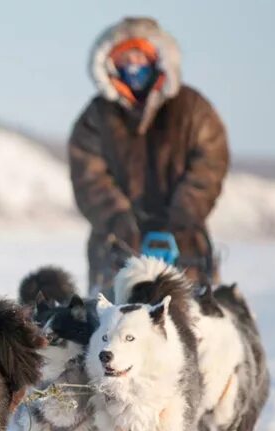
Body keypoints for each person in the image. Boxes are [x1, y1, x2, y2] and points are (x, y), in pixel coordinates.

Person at [69, 17, 229, 293]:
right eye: (125, 58)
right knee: (114, 330)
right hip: (115, 250)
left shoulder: (193, 108)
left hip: (186, 248)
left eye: (140, 56)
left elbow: (210, 163)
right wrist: (121, 223)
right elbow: (88, 177)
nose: (133, 66)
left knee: (190, 328)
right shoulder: (96, 116)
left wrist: (181, 217)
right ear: (110, 63)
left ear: (157, 59)